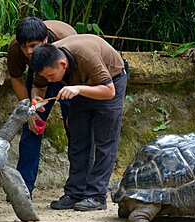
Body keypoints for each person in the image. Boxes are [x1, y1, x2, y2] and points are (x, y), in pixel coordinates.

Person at [30, 34, 128, 211]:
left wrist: (78, 89)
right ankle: (75, 193)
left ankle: (96, 196)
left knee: (105, 141)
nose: (50, 81)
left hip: (110, 82)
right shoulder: (46, 61)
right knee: (78, 139)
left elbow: (109, 91)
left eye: (51, 76)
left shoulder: (86, 56)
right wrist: (36, 99)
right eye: (46, 77)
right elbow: (38, 86)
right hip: (79, 86)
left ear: (62, 65)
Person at [7, 17, 77, 195]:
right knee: (32, 128)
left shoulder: (64, 42)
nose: (29, 51)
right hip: (38, 76)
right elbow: (16, 78)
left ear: (46, 40)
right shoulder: (16, 48)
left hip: (68, 73)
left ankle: (77, 189)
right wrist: (30, 112)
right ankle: (22, 189)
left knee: (75, 127)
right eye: (25, 47)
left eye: (34, 46)